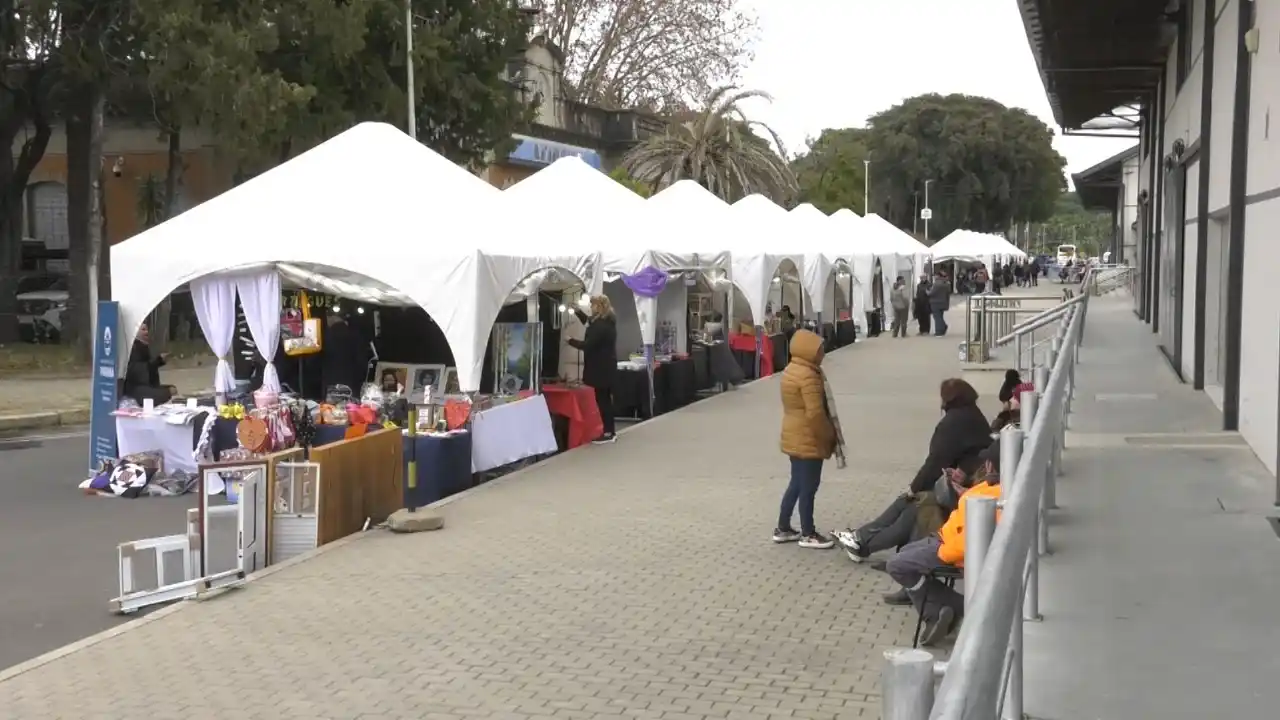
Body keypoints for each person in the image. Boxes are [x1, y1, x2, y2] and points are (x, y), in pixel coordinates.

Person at [834, 378, 991, 564]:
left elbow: (935, 461)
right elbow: (978, 450)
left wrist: (915, 487)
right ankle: (860, 538)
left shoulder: (953, 423)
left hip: (968, 491)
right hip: (972, 484)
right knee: (906, 502)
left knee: (913, 507)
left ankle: (864, 545)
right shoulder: (974, 415)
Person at [885, 440, 1004, 646]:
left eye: (988, 462)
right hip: (946, 538)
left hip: (952, 550)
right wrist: (963, 492)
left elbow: (974, 537)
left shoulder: (996, 496)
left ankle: (951, 609)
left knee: (897, 565)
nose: (985, 466)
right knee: (905, 553)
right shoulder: (995, 487)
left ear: (993, 466)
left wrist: (944, 553)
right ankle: (939, 613)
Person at [773, 328, 842, 549]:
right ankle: (808, 532)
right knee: (808, 487)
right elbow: (815, 414)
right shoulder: (809, 376)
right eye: (820, 349)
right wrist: (828, 437)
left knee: (796, 483)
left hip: (793, 434)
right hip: (808, 438)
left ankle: (783, 527)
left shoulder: (791, 369)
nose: (823, 353)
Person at [568, 295, 619, 444]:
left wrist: (569, 341)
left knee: (603, 400)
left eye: (593, 306)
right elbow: (588, 321)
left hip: (601, 368)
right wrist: (577, 311)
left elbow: (587, 345)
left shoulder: (601, 326)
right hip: (607, 367)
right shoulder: (607, 322)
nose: (590, 308)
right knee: (605, 399)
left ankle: (608, 432)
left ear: (599, 307)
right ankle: (610, 430)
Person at [122, 322, 175, 405]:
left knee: (171, 389)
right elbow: (138, 372)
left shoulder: (143, 346)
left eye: (147, 330)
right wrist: (157, 361)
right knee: (169, 391)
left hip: (143, 386)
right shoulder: (133, 347)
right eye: (143, 330)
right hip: (135, 389)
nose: (146, 332)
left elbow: (147, 368)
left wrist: (160, 360)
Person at [320, 312, 365, 397]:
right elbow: (361, 362)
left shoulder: (324, 337)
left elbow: (314, 362)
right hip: (351, 383)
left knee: (330, 408)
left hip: (330, 383)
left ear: (330, 317)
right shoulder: (356, 335)